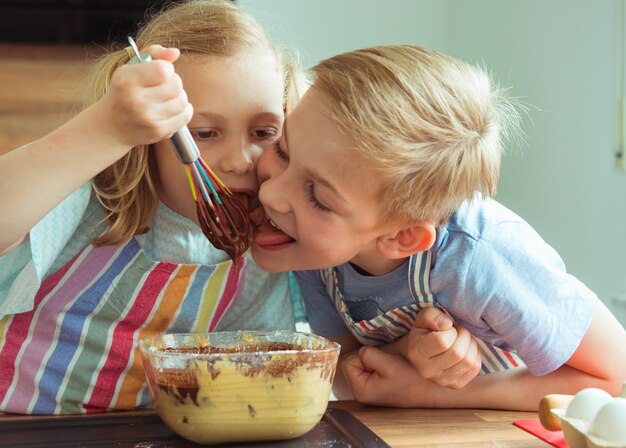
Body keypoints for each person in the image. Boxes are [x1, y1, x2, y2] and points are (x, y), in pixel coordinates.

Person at [250, 44, 626, 410]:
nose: (270, 193)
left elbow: (612, 377)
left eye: (318, 197)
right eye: (283, 150)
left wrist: (434, 393)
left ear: (402, 237)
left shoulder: (481, 258)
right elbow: (347, 374)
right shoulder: (313, 247)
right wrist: (402, 356)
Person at [0, 0, 305, 414]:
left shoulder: (257, 256)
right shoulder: (93, 201)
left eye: (263, 131)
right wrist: (102, 129)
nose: (239, 160)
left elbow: (262, 370)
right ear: (147, 134)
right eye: (206, 132)